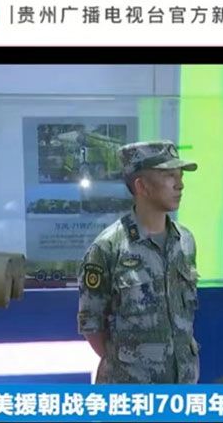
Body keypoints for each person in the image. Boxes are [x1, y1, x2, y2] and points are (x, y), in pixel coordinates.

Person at [77, 140, 200, 383]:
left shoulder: (185, 240)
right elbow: (92, 326)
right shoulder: (108, 248)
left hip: (183, 385)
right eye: (169, 176)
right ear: (142, 186)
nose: (180, 184)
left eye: (180, 175)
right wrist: (131, 367)